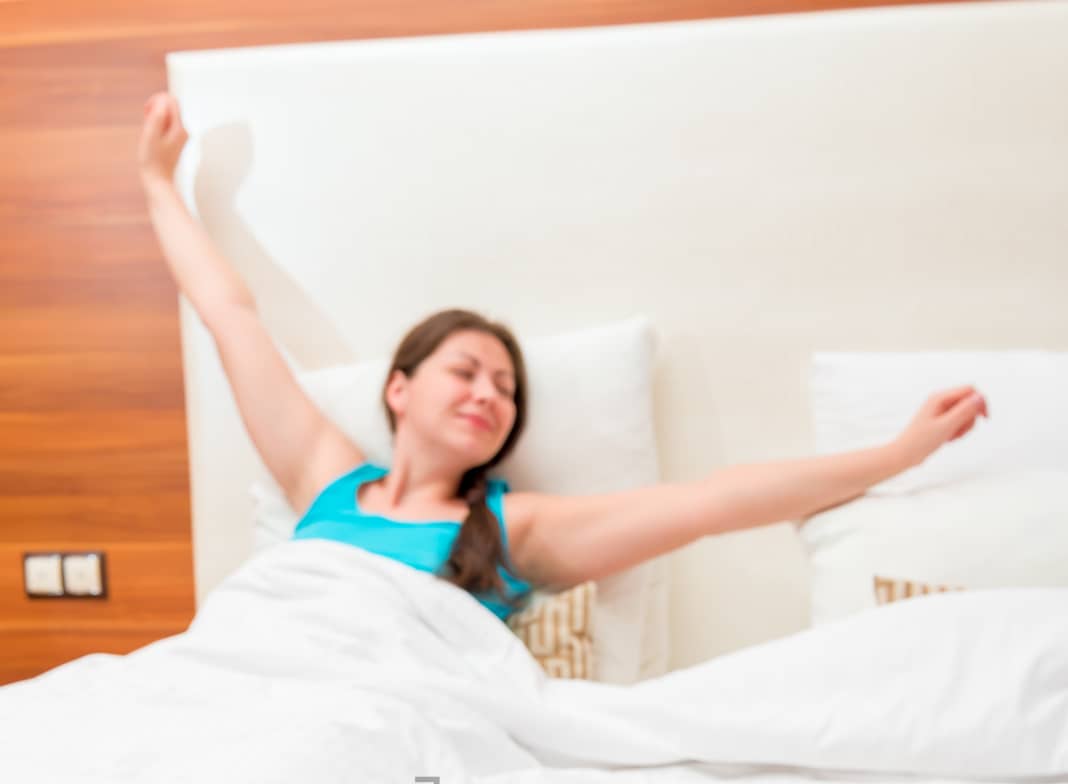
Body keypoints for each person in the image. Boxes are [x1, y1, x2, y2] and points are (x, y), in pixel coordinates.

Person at [138, 92, 988, 621]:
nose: (489, 395)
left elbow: (710, 503)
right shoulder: (322, 478)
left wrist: (895, 455)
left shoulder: (516, 528)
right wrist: (156, 185)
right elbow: (230, 313)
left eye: (506, 389)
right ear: (398, 388)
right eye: (465, 372)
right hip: (265, 676)